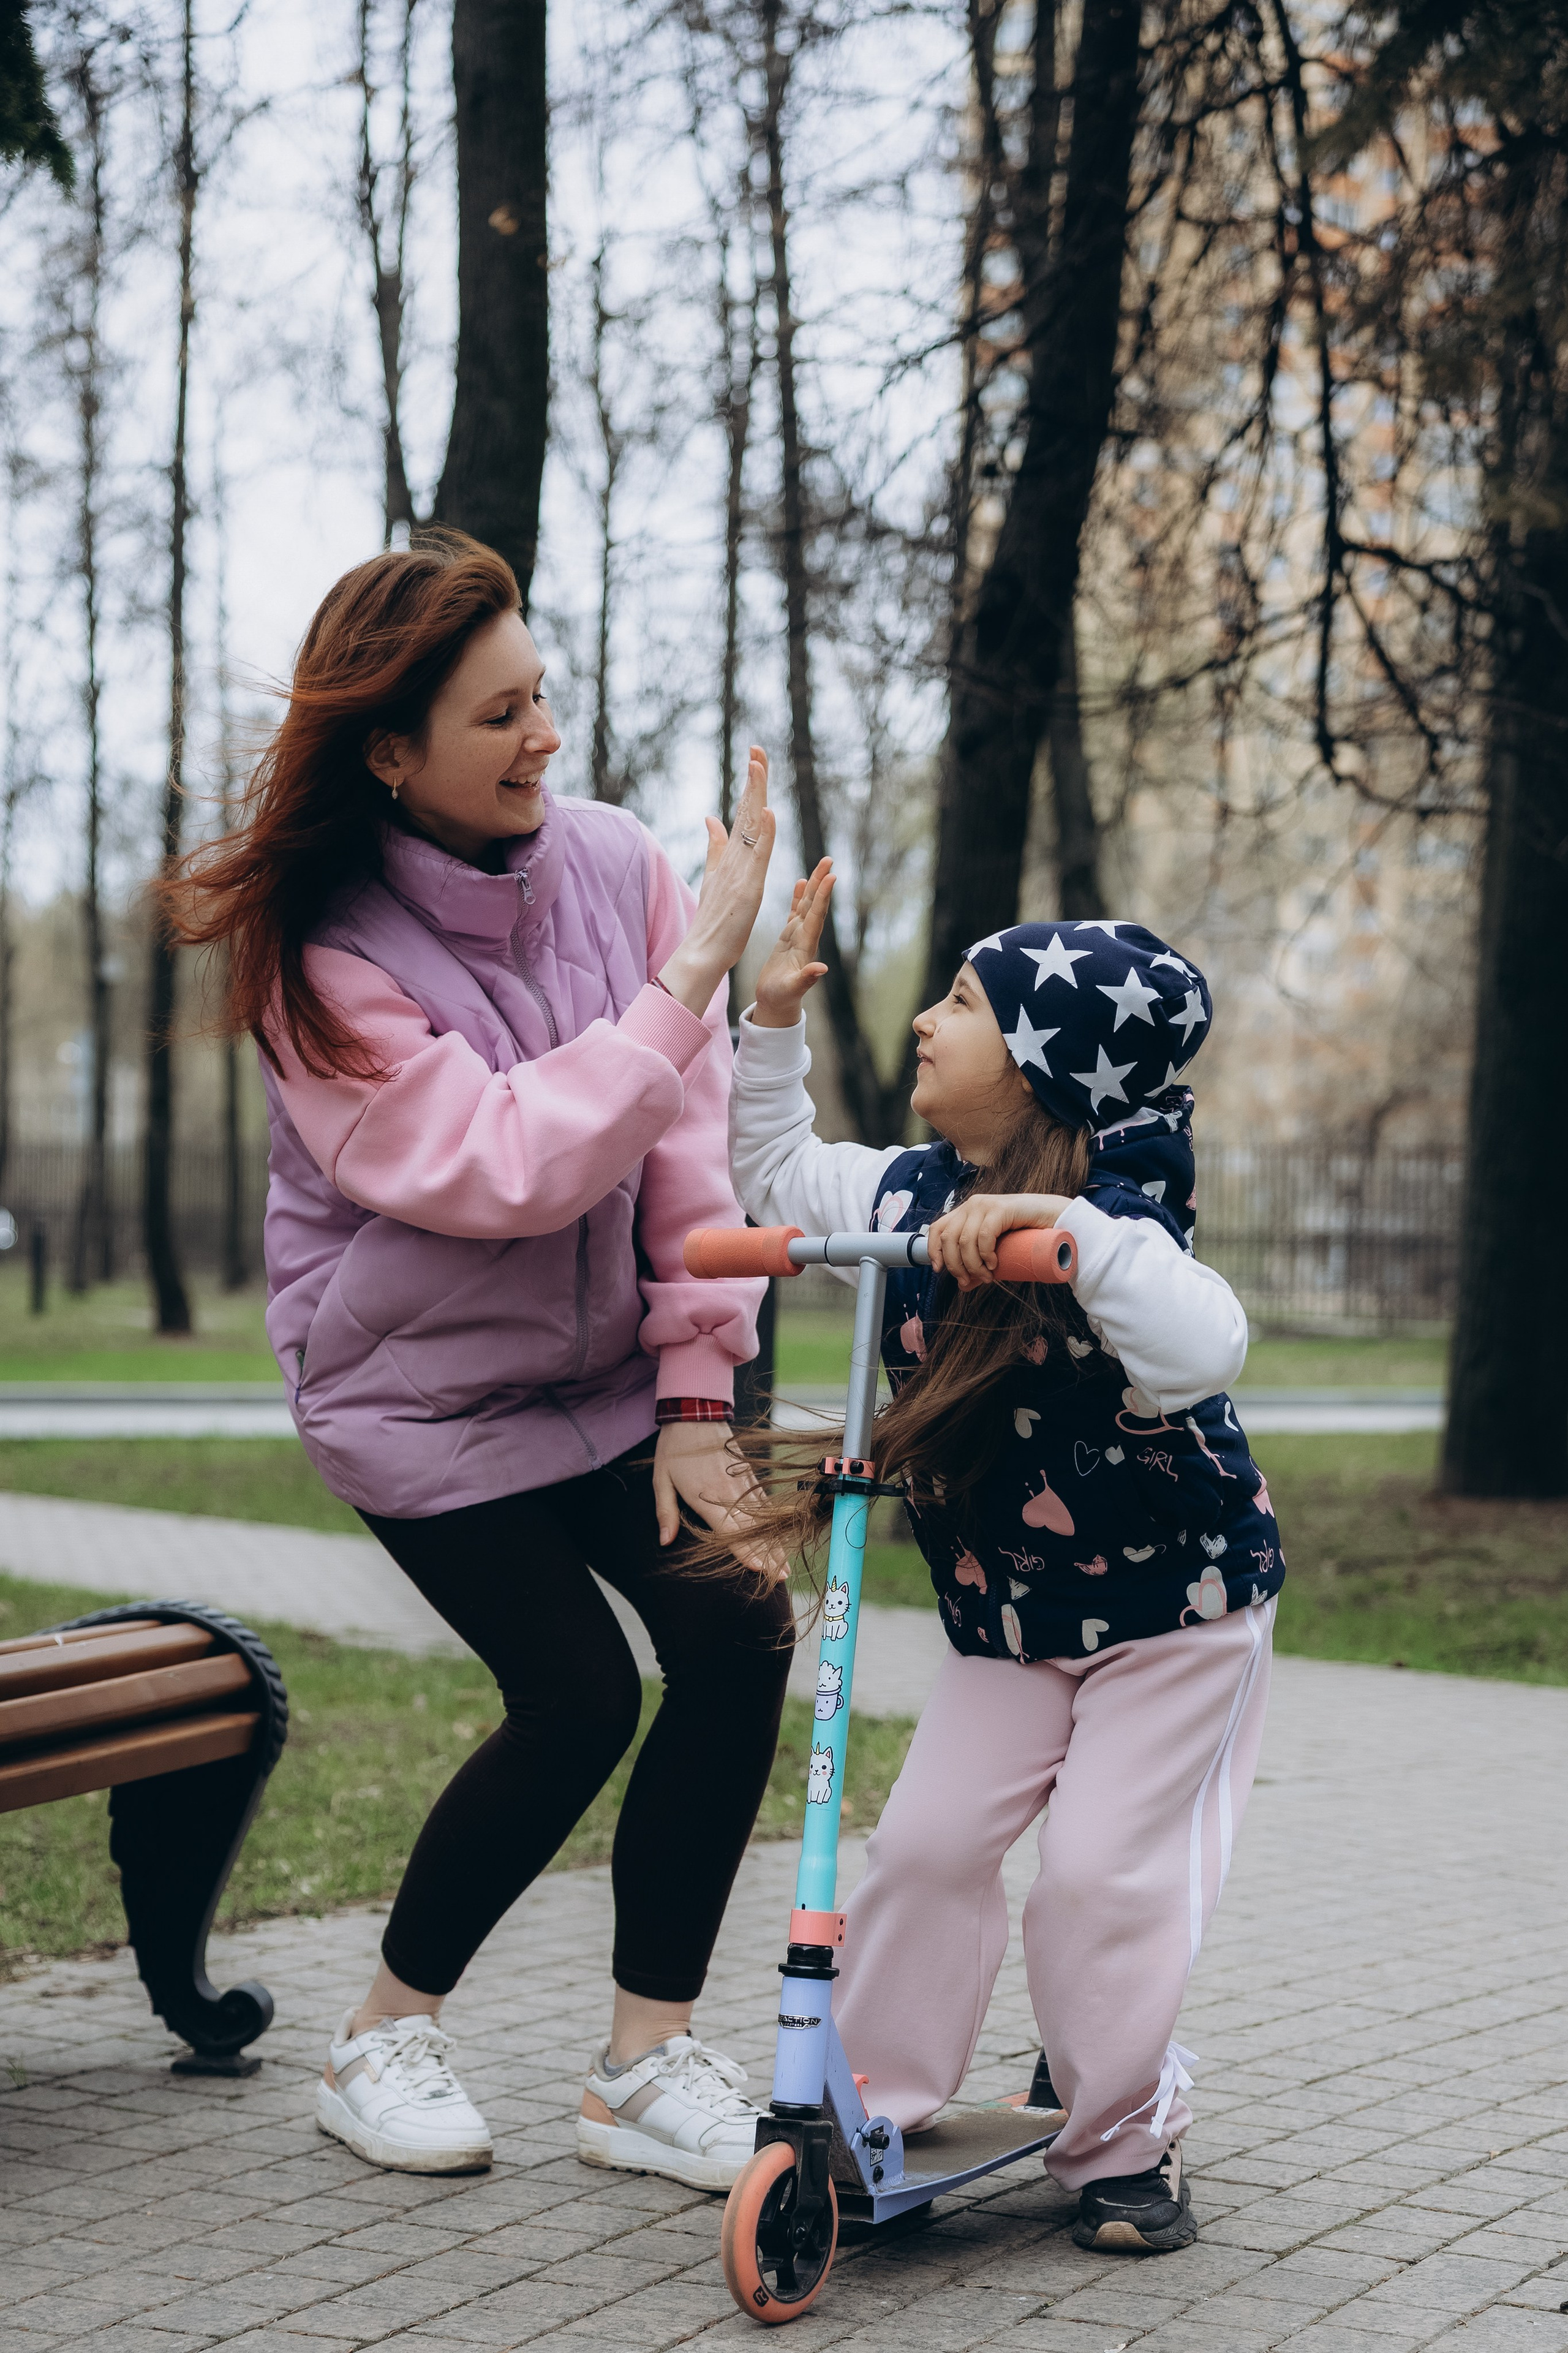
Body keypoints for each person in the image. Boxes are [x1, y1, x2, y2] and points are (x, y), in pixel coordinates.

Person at [168, 531, 793, 2188]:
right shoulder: (325, 962)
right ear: (392, 750)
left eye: (544, 698)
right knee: (578, 1694)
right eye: (499, 715)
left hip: (603, 1375)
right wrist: (687, 982)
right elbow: (509, 1163)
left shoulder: (616, 865)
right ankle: (381, 2032)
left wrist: (696, 1394)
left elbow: (684, 1151)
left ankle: (645, 2064)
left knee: (738, 1627)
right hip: (416, 1393)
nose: (544, 740)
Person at [724, 866, 1284, 2254]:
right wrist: (770, 1035)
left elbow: (1202, 1341)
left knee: (1099, 1879)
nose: (923, 1020)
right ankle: (876, 2106)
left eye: (963, 1003)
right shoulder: (913, 1195)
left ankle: (1119, 2138)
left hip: (1175, 1615)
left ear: (1044, 1068)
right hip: (1006, 1622)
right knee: (917, 1849)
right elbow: (779, 1174)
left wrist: (1071, 1242)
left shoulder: (1127, 1216)